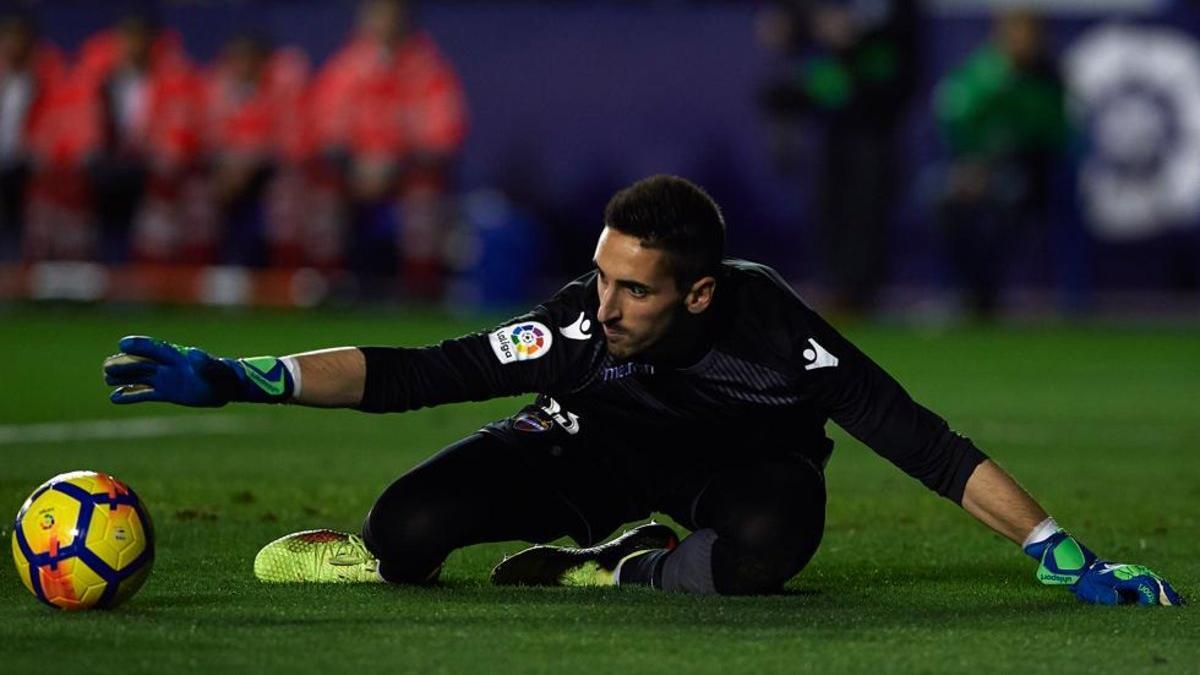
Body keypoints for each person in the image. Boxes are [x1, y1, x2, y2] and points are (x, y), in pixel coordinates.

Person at [102, 175, 1181, 604]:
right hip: (600, 444)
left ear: (701, 293)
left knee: (768, 545)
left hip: (740, 470)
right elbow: (420, 373)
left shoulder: (780, 336)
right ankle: (577, 535)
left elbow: (929, 448)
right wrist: (245, 377)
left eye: (633, 290)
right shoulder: (583, 320)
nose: (603, 305)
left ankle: (633, 568)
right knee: (406, 535)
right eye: (602, 275)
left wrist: (1060, 555)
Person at [933, 11, 1067, 318]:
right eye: (1014, 33)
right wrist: (972, 166)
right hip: (973, 166)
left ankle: (988, 294)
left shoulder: (1046, 76)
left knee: (1005, 199)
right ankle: (961, 292)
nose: (1021, 42)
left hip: (1030, 170)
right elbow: (955, 118)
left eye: (1028, 34)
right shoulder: (983, 70)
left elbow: (1053, 133)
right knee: (941, 199)